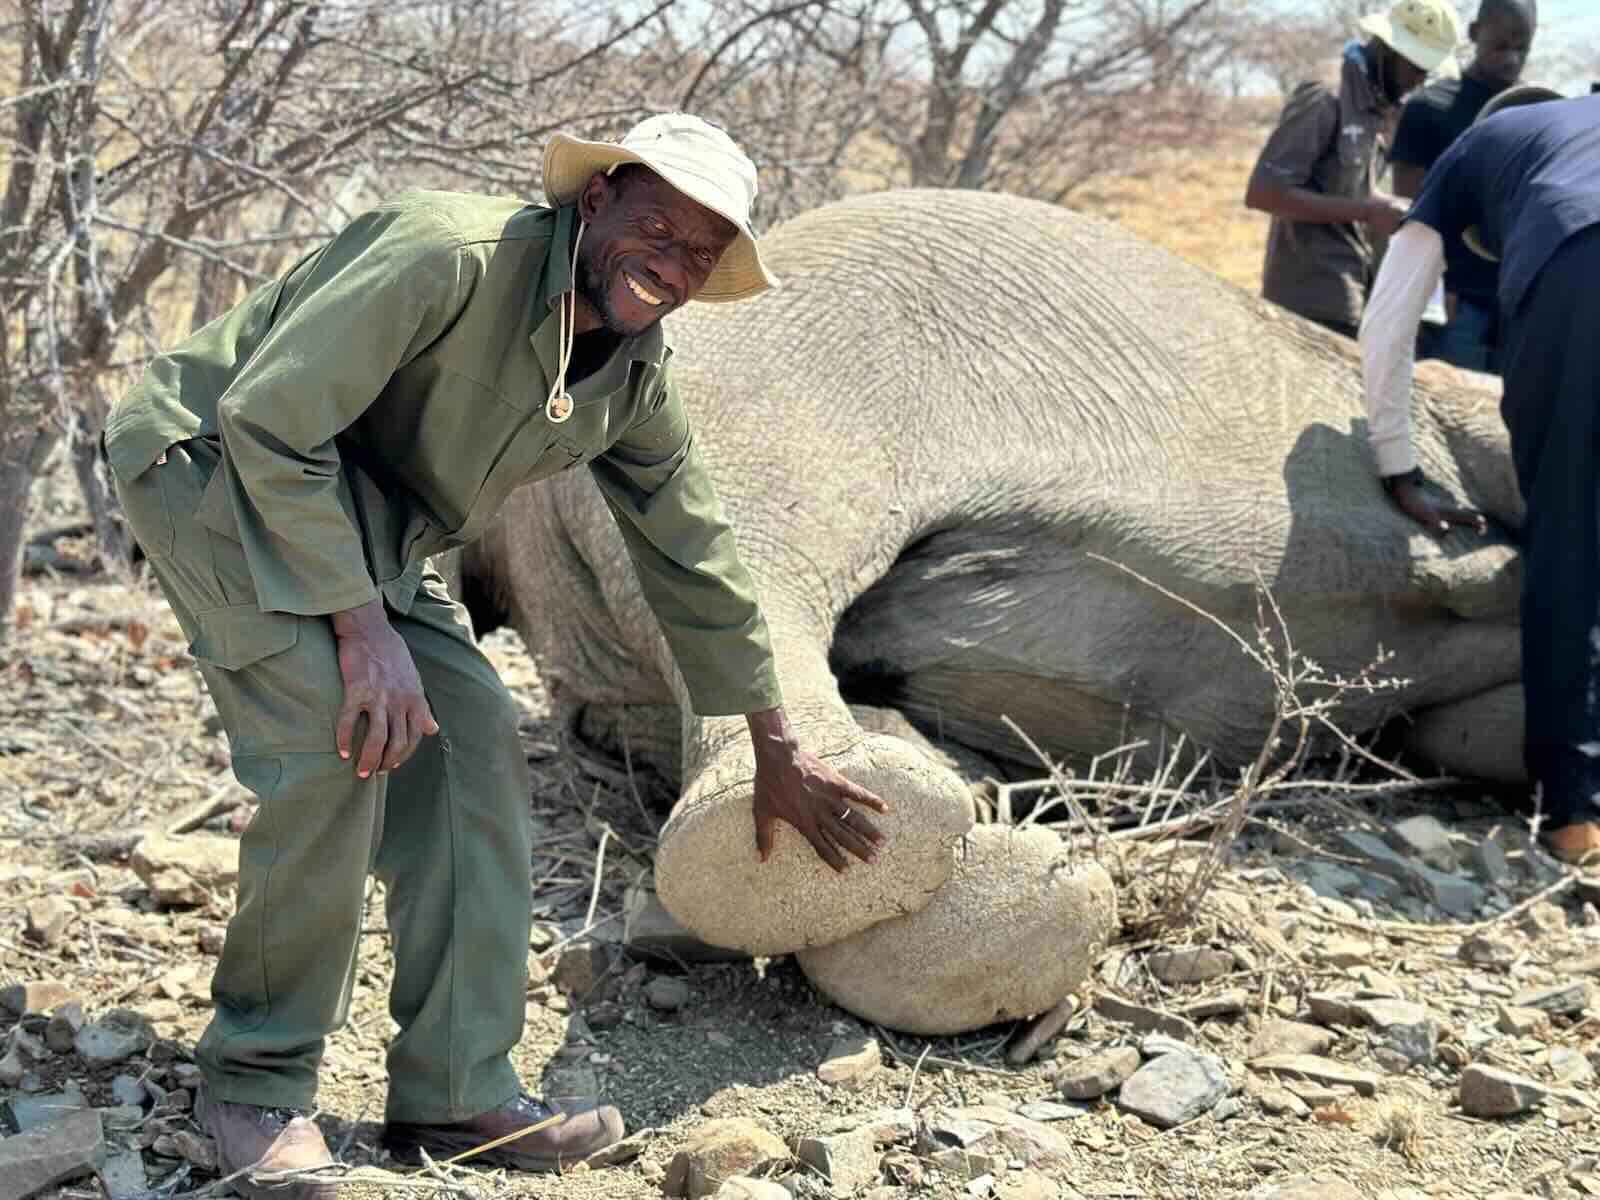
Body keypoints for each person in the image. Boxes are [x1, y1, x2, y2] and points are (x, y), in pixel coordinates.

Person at [102, 114, 891, 1197]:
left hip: (367, 527)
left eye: (698, 253)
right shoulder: (447, 255)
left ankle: (452, 1092)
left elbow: (694, 557)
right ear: (596, 198)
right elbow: (271, 422)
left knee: (473, 740)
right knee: (336, 737)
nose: (668, 262)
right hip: (216, 467)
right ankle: (256, 1081)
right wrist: (363, 628)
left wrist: (771, 742)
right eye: (654, 224)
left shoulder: (631, 382)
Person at [1360, 90, 1600, 866]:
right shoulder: (1570, 131)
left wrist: (1398, 463)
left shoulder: (1470, 148)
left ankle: (1573, 813)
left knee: (1569, 535)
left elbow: (1390, 315)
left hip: (1580, 265)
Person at [1245, 0, 1462, 338]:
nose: (1420, 81)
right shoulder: (1327, 95)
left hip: (1357, 296)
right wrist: (1367, 211)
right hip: (1309, 299)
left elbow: (1354, 188)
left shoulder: (1382, 103)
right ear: (1389, 48)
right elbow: (1264, 192)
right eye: (1416, 67)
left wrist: (1393, 210)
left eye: (1427, 71)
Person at [1389, 0, 1538, 372]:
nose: (1511, 59)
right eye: (1501, 45)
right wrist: (1432, 293)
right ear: (1474, 34)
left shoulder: (1539, 110)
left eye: (1522, 47)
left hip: (1521, 303)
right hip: (1454, 305)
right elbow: (1411, 213)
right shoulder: (1430, 107)